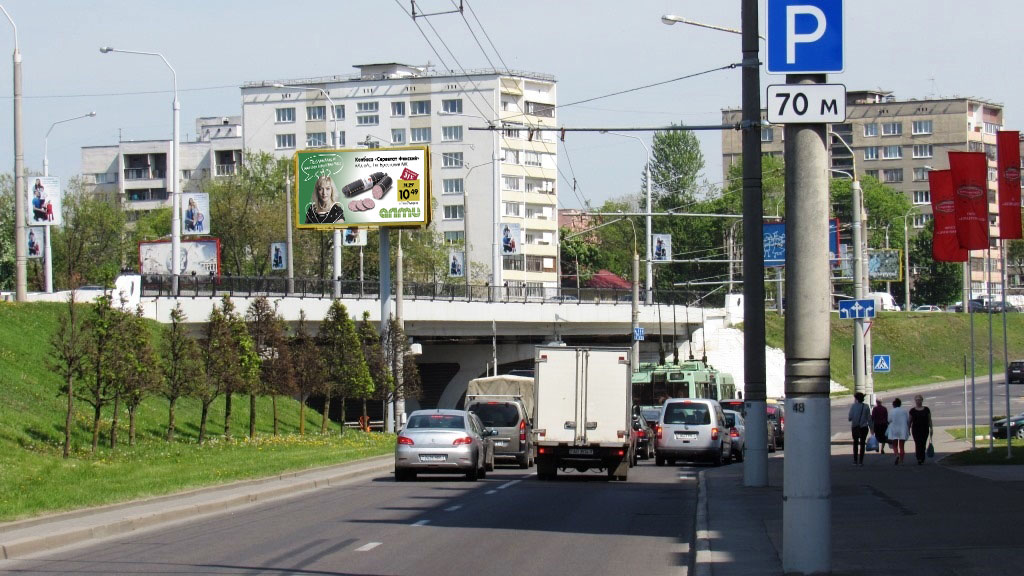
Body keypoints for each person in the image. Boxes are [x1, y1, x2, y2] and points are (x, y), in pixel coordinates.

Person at [908, 394, 933, 465]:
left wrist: (931, 428)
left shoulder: (926, 409)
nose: (918, 401)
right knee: (918, 443)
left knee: (923, 443)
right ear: (915, 401)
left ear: (922, 400)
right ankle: (919, 458)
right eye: (917, 400)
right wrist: (908, 429)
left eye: (919, 400)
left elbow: (929, 420)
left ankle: (922, 457)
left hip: (925, 429)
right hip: (916, 430)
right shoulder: (912, 411)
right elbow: (910, 421)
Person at [847, 392, 871, 466]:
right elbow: (869, 418)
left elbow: (850, 418)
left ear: (856, 399)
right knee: (862, 443)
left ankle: (855, 460)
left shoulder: (853, 406)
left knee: (855, 443)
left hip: (855, 427)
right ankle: (861, 461)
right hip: (864, 427)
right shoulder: (866, 406)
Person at [887, 397, 910, 465]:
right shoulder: (904, 411)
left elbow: (889, 420)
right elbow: (907, 420)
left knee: (894, 445)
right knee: (902, 446)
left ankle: (897, 455)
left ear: (893, 405)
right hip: (902, 429)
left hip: (894, 429)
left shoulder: (891, 411)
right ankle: (901, 460)